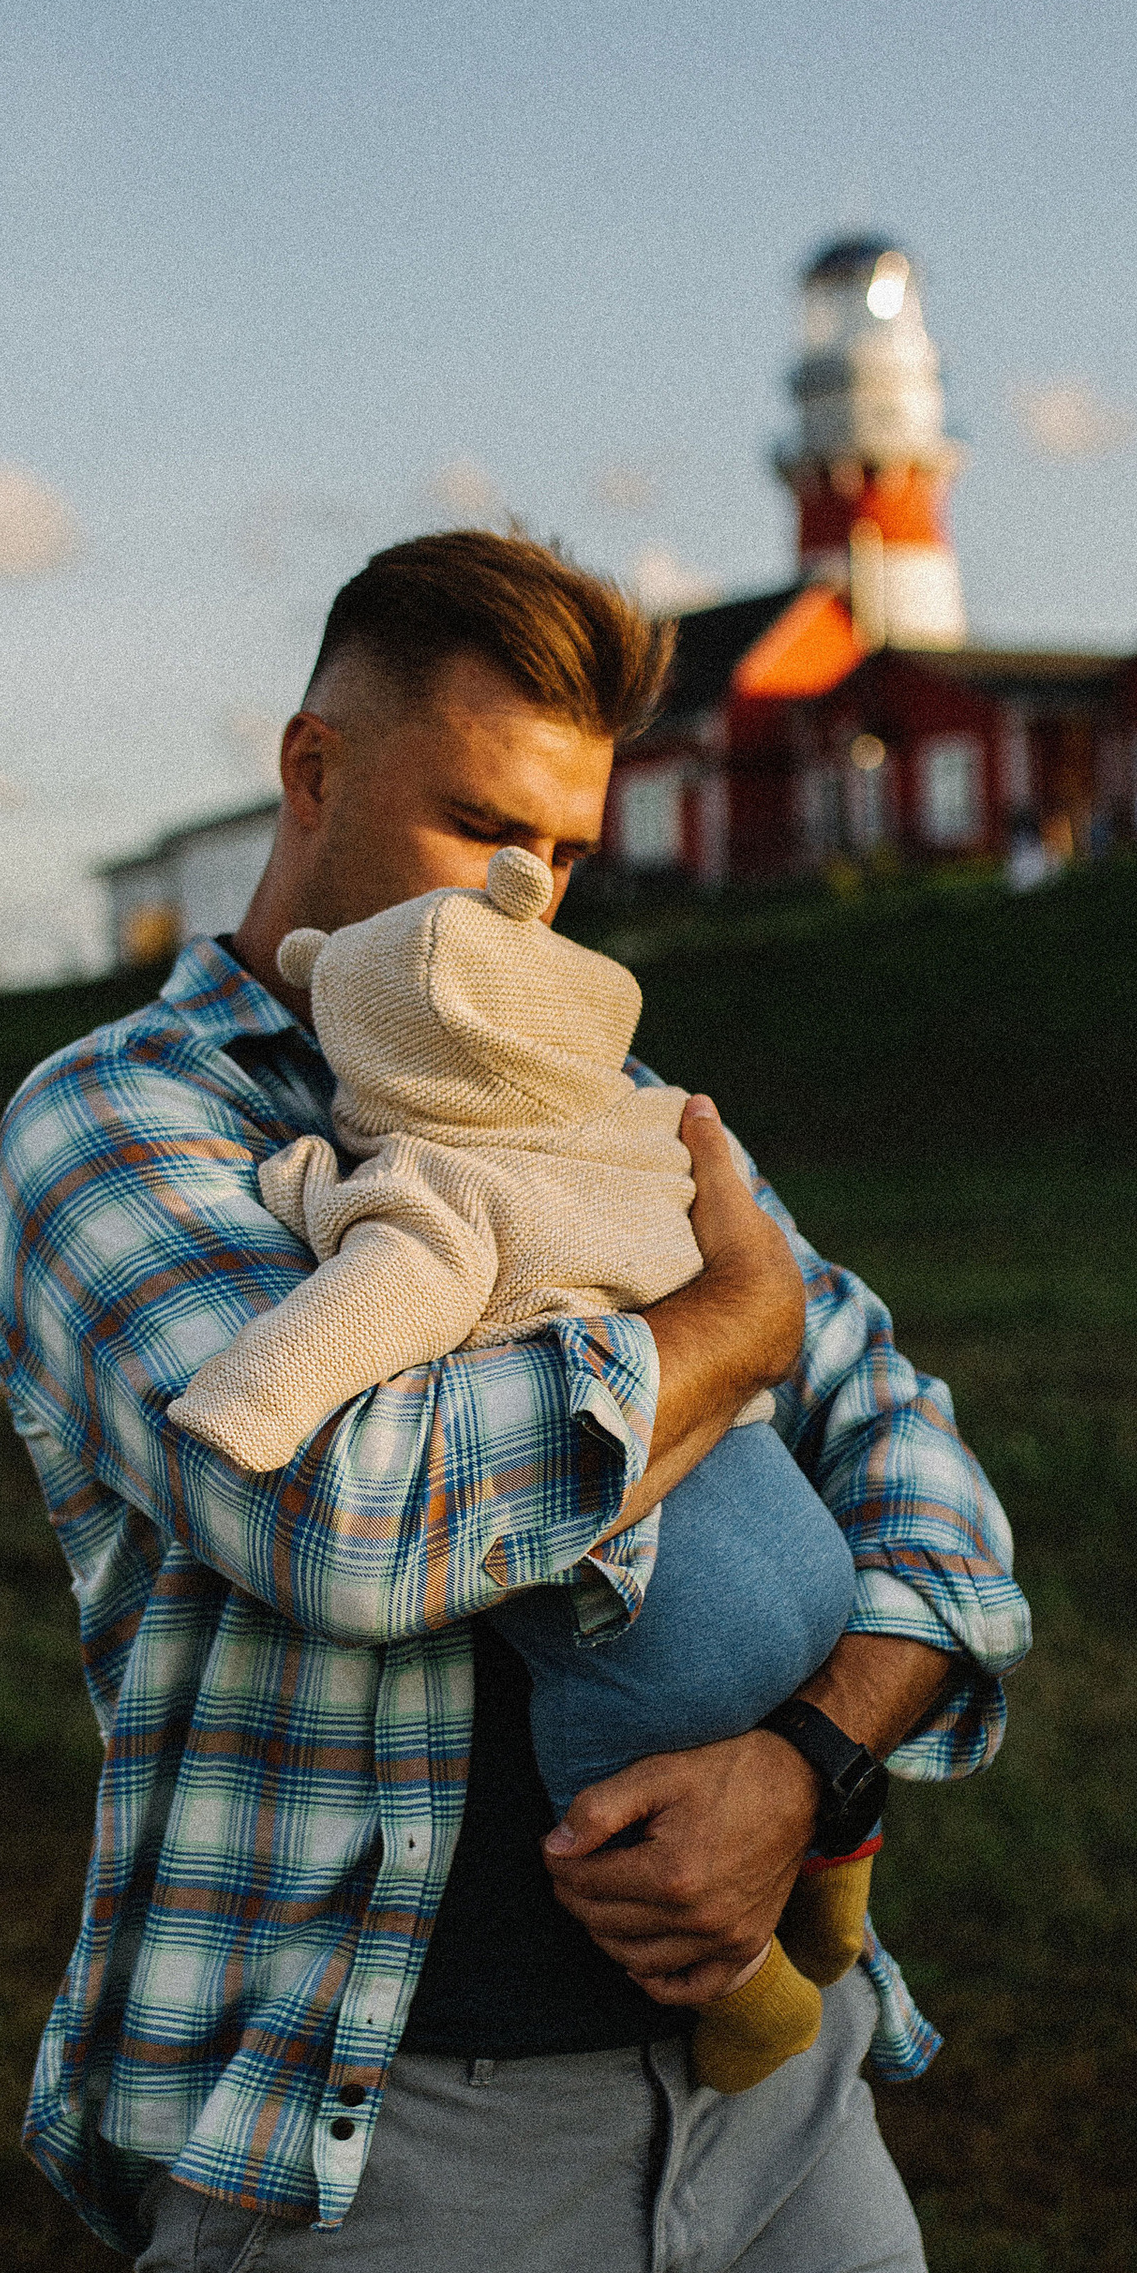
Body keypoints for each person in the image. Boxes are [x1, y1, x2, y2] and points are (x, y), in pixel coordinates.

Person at [0, 530, 1030, 2273]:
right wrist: (708, 1349)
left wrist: (810, 1768)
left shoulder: (622, 1107)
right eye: (474, 828)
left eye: (564, 850)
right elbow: (334, 1511)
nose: (526, 898)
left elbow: (944, 1513)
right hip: (379, 2157)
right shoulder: (114, 1134)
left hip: (772, 2114)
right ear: (314, 776)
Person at [168, 834, 873, 2091]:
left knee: (607, 1800)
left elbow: (377, 1300)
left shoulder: (441, 1182)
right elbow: (785, 1309)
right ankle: (838, 1879)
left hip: (675, 1614)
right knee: (767, 1717)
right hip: (805, 1548)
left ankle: (742, 1983)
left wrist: (243, 1396)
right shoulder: (645, 1126)